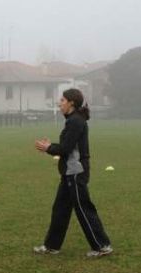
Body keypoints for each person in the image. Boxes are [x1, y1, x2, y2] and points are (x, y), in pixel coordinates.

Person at [34, 88, 113, 258]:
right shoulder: (73, 120)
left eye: (62, 100)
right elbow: (68, 146)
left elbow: (65, 149)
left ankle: (102, 246)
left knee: (84, 208)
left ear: (71, 103)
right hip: (69, 173)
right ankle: (51, 246)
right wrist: (52, 146)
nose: (59, 103)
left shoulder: (75, 121)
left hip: (76, 172)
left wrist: (49, 148)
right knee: (60, 209)